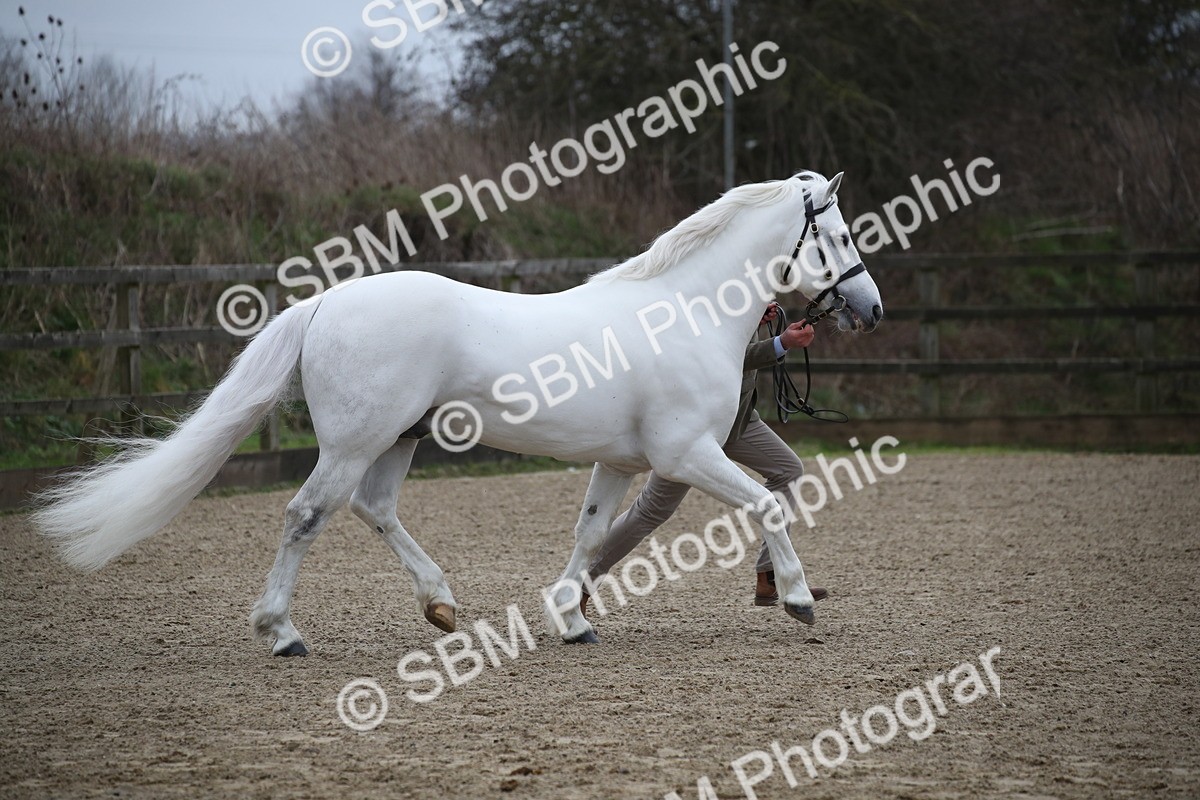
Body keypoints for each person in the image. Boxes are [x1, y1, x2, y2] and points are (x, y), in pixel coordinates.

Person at [582, 303, 828, 612]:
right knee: (650, 511)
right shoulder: (709, 297)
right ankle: (581, 582)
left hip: (738, 419)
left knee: (788, 469)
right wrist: (782, 343)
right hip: (696, 428)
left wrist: (754, 317)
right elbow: (728, 356)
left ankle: (770, 576)